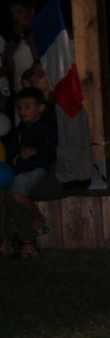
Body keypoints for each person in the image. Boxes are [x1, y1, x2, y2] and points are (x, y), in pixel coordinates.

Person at [7, 87, 57, 249]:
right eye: (20, 108)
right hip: (20, 170)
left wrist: (36, 153)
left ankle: (38, 218)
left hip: (36, 170)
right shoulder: (20, 130)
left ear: (41, 108)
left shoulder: (46, 128)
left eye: (27, 107)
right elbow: (12, 153)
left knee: (17, 194)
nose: (22, 111)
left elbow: (51, 152)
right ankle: (14, 231)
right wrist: (17, 157)